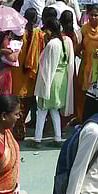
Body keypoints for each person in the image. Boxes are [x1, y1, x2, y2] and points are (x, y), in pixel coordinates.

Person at [33, 16, 74, 145]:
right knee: (54, 110)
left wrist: (44, 85)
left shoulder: (52, 44)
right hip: (62, 79)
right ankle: (57, 137)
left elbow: (47, 66)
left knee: (42, 110)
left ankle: (37, 139)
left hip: (50, 80)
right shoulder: (67, 41)